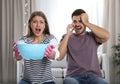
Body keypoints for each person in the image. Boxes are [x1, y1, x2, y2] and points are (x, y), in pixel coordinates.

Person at [57, 9, 109, 84]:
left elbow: (106, 36)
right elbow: (59, 56)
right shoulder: (67, 37)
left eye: (80, 21)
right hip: (73, 77)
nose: (77, 24)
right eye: (75, 21)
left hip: (94, 77)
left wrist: (87, 22)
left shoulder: (93, 36)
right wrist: (68, 34)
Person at [13, 11, 58, 84]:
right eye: (34, 22)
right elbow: (18, 57)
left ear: (45, 25)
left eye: (41, 22)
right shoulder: (24, 40)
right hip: (27, 81)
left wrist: (52, 54)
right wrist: (17, 55)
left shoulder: (51, 39)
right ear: (30, 24)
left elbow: (56, 54)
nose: (38, 25)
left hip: (47, 81)